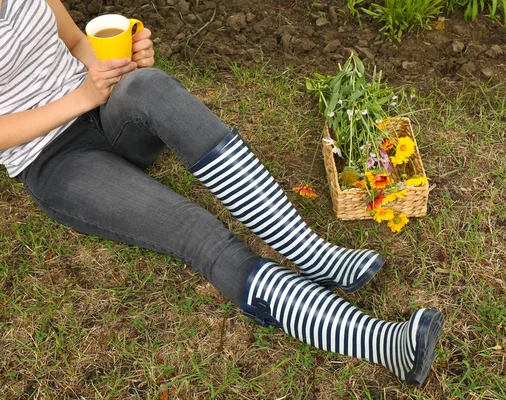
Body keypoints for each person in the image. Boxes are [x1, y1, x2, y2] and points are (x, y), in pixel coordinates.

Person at [0, 0, 444, 385]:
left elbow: (77, 43)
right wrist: (81, 98)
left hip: (103, 109)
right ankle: (386, 344)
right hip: (54, 159)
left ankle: (312, 253)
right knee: (195, 231)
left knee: (148, 84)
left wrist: (117, 65)